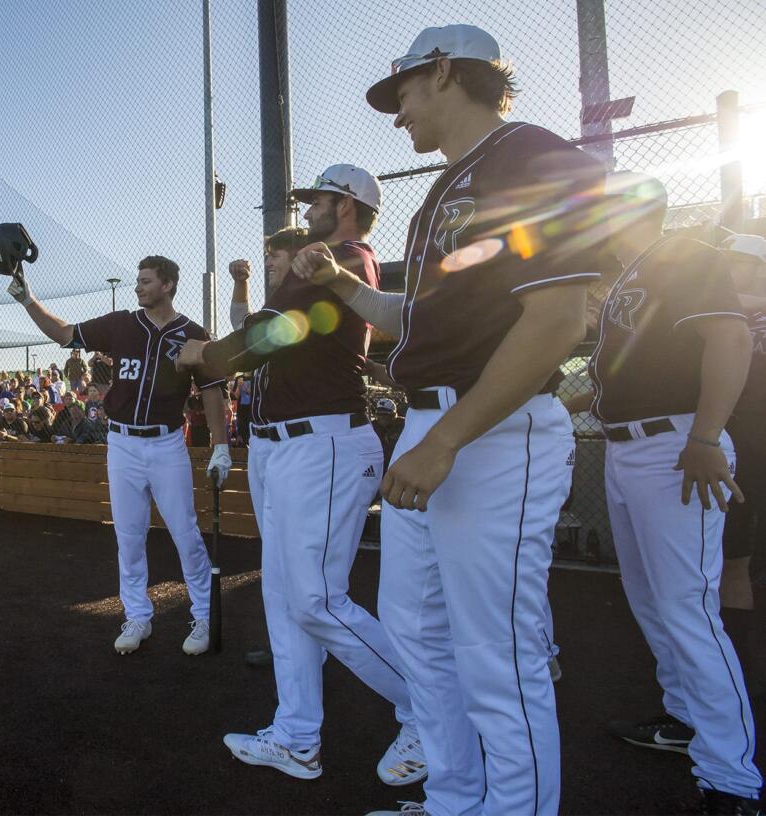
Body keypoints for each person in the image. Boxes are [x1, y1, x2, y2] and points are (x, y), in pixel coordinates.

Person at [305, 26, 612, 816]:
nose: (397, 112)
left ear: (443, 72)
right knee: (416, 634)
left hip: (489, 434)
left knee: (496, 659)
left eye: (402, 90)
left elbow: (556, 322)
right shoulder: (441, 193)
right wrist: (340, 284)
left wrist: (443, 439)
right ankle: (454, 799)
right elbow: (414, 320)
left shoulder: (534, 155)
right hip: (434, 431)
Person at [180, 184, 422, 787]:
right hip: (287, 446)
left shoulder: (343, 258)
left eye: (317, 198)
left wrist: (205, 355)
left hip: (324, 444)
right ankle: (296, 737)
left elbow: (253, 343)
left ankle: (429, 709)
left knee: (315, 600)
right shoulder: (316, 265)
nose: (306, 206)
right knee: (287, 600)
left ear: (344, 205)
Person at [569, 181, 758, 814]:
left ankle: (732, 778)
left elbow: (730, 342)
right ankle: (684, 720)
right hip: (629, 450)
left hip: (678, 443)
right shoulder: (628, 278)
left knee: (688, 608)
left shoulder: (683, 253)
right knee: (652, 601)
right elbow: (614, 384)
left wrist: (706, 435)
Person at [10, 255, 231, 655]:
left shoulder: (193, 334)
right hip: (122, 443)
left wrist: (221, 448)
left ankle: (202, 615)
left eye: (146, 281)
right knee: (128, 536)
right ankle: (137, 616)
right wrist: (28, 299)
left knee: (185, 533)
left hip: (167, 444)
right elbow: (64, 334)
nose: (138, 287)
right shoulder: (121, 324)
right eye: (137, 280)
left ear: (167, 285)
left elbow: (214, 392)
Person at [718, 233, 766, 700]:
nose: (728, 269)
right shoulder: (723, 311)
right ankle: (738, 685)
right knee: (734, 565)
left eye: (739, 260)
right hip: (738, 457)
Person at [370, 397, 404, 471]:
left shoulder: (404, 425)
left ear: (393, 414)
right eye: (379, 414)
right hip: (377, 467)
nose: (381, 417)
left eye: (385, 414)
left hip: (397, 465)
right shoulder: (371, 427)